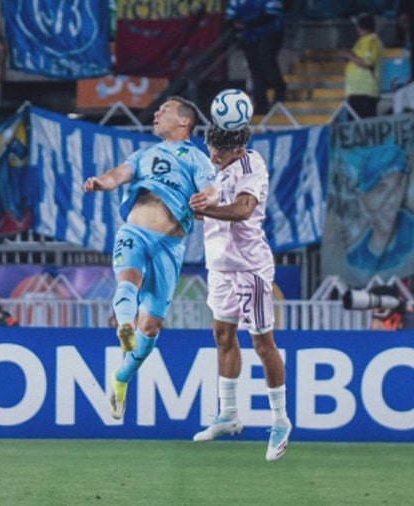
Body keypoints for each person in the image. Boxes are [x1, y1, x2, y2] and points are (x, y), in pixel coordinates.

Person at [82, 96, 217, 421]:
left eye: (164, 110)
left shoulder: (196, 158)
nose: (156, 114)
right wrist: (102, 182)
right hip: (135, 231)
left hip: (170, 246)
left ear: (184, 121)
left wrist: (206, 199)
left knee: (152, 326)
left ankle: (120, 378)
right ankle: (124, 324)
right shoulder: (144, 154)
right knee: (129, 278)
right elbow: (119, 174)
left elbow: (211, 189)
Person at [188, 124, 292, 462]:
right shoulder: (216, 168)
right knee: (222, 335)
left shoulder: (251, 166)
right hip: (220, 266)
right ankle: (228, 415)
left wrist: (206, 210)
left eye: (219, 152)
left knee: (262, 343)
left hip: (249, 268)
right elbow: (214, 205)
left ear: (237, 149)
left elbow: (243, 209)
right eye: (210, 149)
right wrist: (201, 207)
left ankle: (280, 421)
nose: (213, 156)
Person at [226, 0, 287, 115]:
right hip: (249, 37)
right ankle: (261, 104)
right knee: (255, 68)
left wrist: (247, 24)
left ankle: (279, 89)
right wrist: (236, 25)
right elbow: (230, 16)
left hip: (270, 34)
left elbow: (271, 14)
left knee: (266, 61)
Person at [339, 12, 384, 118]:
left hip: (365, 92)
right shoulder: (361, 42)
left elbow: (367, 62)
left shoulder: (373, 41)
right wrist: (348, 56)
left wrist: (349, 55)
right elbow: (357, 59)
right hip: (356, 92)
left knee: (364, 122)